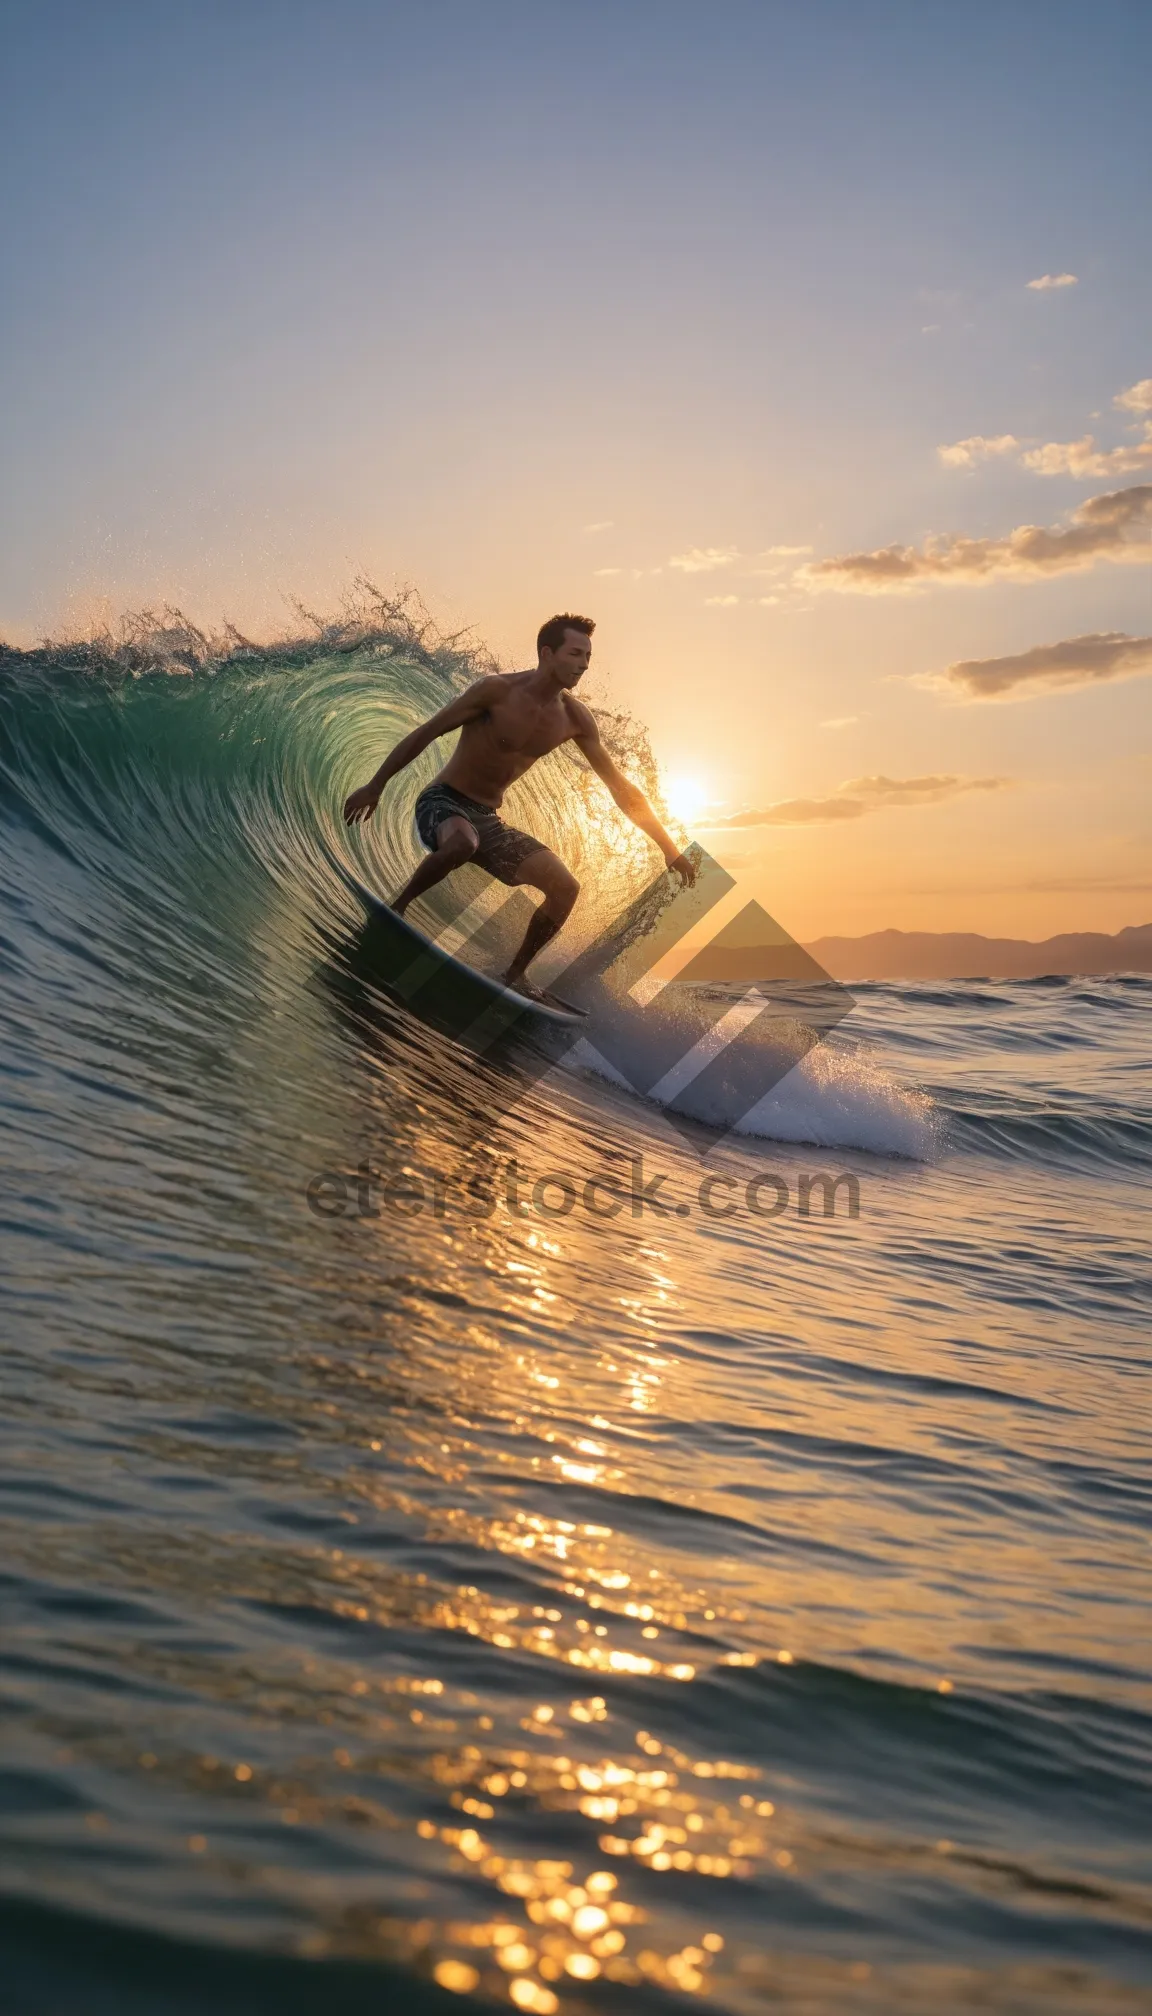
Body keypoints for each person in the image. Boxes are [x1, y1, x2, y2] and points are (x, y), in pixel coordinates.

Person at [342, 614, 697, 1000]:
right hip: (443, 801)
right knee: (462, 843)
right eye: (575, 653)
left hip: (489, 820)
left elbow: (622, 790)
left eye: (588, 656)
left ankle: (514, 975)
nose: (584, 664)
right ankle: (397, 908)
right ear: (548, 653)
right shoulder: (495, 692)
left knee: (565, 888)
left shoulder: (574, 719)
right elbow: (428, 732)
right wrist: (375, 785)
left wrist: (669, 848)